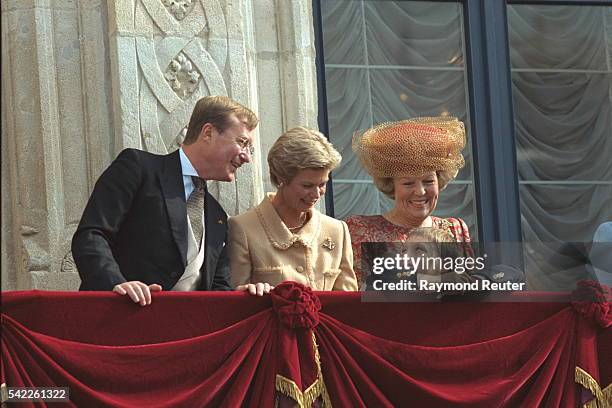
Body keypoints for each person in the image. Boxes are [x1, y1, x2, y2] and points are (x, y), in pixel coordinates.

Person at [72, 96, 271, 305]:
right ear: (208, 133)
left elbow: (217, 291)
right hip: (117, 321)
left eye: (250, 148)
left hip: (180, 334)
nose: (247, 157)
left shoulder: (216, 215)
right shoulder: (138, 169)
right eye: (242, 142)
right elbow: (92, 235)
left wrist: (244, 296)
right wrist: (116, 284)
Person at [346, 117, 474, 285]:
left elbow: (472, 284)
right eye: (408, 183)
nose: (420, 191)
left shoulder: (454, 228)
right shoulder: (361, 229)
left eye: (428, 181)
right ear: (391, 185)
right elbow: (360, 293)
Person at [228, 127, 358, 291]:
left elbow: (347, 302)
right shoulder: (243, 228)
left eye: (322, 184)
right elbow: (233, 299)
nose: (316, 194)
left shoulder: (337, 230)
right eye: (307, 185)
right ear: (281, 178)